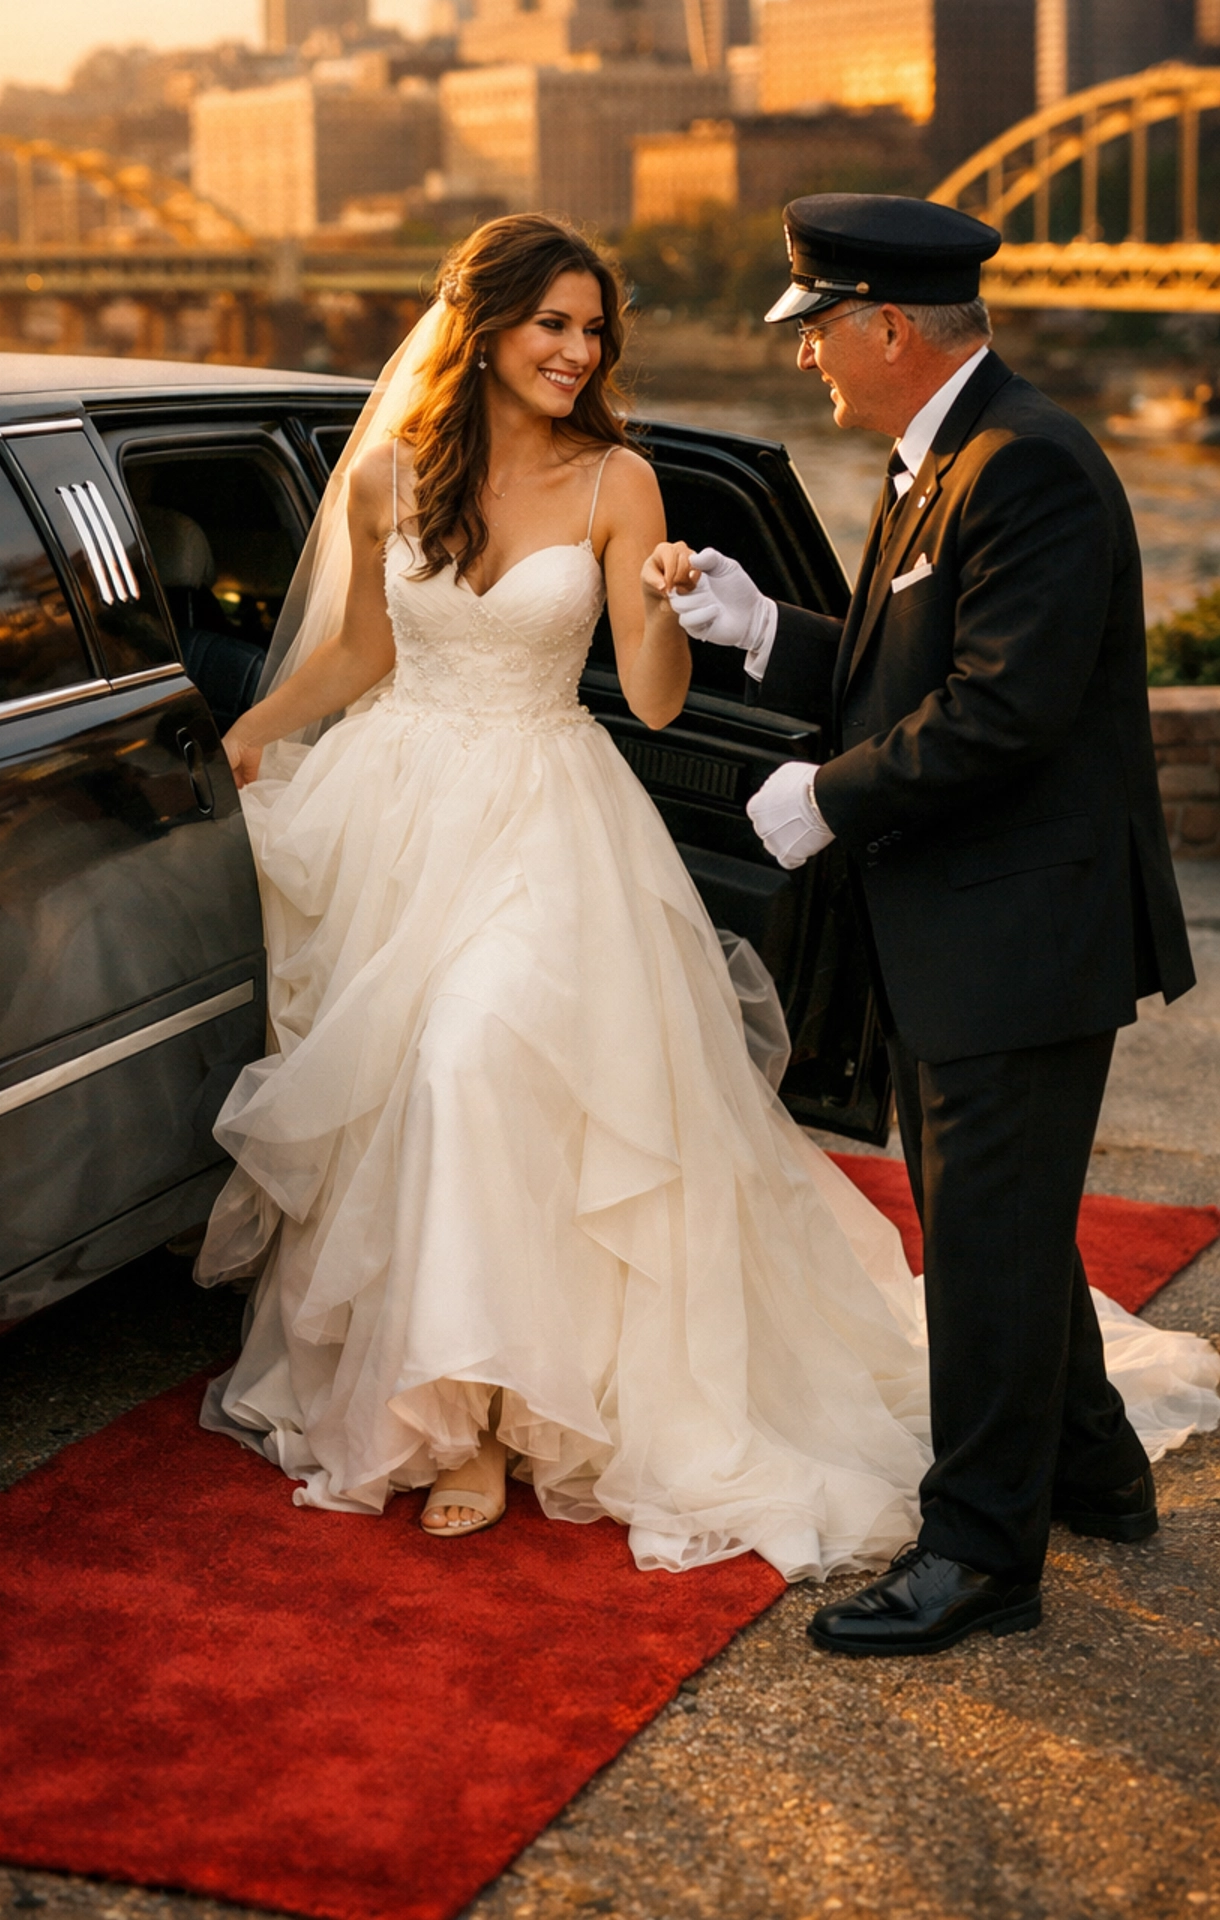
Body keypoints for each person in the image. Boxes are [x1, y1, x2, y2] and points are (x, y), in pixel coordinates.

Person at [194, 211, 1215, 1587]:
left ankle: (520, 1422)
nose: (577, 348)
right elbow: (368, 649)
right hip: (400, 814)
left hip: (563, 830)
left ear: (888, 327)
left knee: (471, 1062)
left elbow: (963, 704)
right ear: (485, 325)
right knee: (408, 1097)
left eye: (590, 326)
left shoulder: (987, 466)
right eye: (553, 322)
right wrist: (260, 729)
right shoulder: (393, 477)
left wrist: (693, 635)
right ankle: (1085, 1458)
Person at [672, 192, 1207, 1653]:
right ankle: (1092, 1467)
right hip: (976, 931)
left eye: (820, 332)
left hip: (1020, 940)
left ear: (890, 325)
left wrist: (827, 801)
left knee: (980, 1244)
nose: (808, 362)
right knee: (1005, 1233)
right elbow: (914, 659)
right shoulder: (948, 457)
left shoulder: (1025, 465)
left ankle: (980, 1557)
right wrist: (768, 629)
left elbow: (1002, 713)